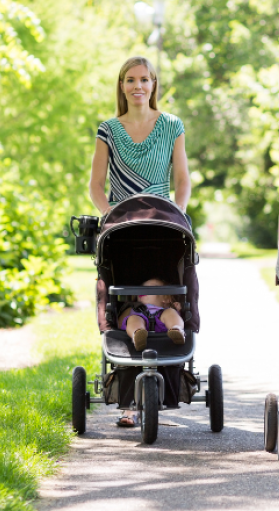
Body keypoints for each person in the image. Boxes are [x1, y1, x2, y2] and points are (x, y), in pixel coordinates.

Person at [88, 56, 192, 427]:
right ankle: (128, 400)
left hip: (163, 224)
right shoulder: (108, 129)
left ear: (153, 85)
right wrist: (109, 217)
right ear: (121, 86)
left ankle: (173, 355)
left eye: (144, 80)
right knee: (124, 298)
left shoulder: (171, 126)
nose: (138, 86)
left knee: (168, 289)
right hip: (123, 228)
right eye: (130, 80)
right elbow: (96, 186)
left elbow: (182, 180)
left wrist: (177, 214)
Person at [118, 278, 187, 351]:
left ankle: (176, 329)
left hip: (163, 323)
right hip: (141, 319)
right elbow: (120, 323)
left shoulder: (167, 309)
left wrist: (176, 309)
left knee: (171, 312)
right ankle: (137, 335)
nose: (143, 291)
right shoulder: (134, 308)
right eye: (141, 289)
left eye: (149, 288)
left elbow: (176, 316)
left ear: (166, 298)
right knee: (133, 318)